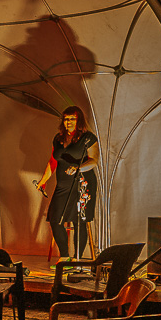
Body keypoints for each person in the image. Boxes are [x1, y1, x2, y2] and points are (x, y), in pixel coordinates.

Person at [34, 105, 100, 261]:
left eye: (72, 119)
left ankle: (77, 259)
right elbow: (52, 161)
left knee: (79, 221)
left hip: (82, 184)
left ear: (79, 121)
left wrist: (78, 167)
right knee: (55, 219)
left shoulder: (88, 138)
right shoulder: (58, 138)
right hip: (63, 184)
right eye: (66, 119)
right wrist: (43, 181)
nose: (68, 122)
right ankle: (65, 256)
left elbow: (94, 161)